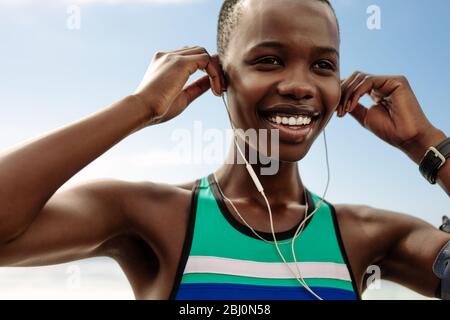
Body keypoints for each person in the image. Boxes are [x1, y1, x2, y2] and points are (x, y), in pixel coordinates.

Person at [0, 0, 449, 300]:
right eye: (268, 59)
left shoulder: (366, 235)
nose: (299, 84)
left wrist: (424, 143)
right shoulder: (152, 216)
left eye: (323, 65)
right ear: (218, 76)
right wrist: (138, 108)